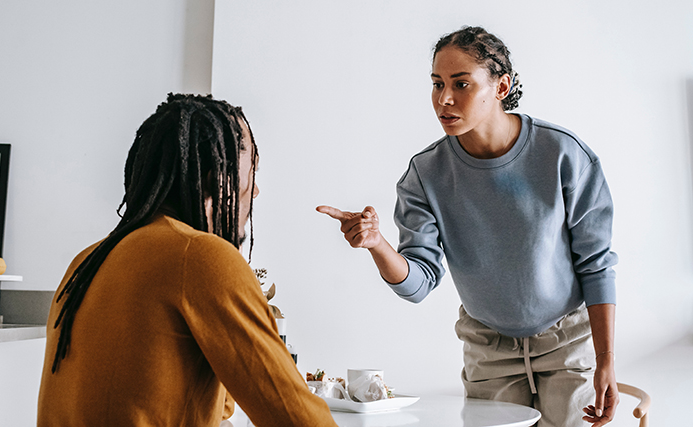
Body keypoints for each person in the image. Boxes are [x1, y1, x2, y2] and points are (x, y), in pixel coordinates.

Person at [318, 26, 619, 427]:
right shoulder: (425, 175)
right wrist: (377, 244)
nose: (444, 98)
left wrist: (606, 361)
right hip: (488, 351)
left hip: (567, 345)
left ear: (501, 86)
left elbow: (596, 265)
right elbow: (418, 283)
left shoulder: (563, 154)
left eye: (461, 83)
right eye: (437, 84)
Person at [38, 94, 337, 427]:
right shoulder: (200, 257)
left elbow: (219, 409)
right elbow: (297, 418)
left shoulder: (87, 260)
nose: (255, 192)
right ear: (217, 177)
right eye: (252, 172)